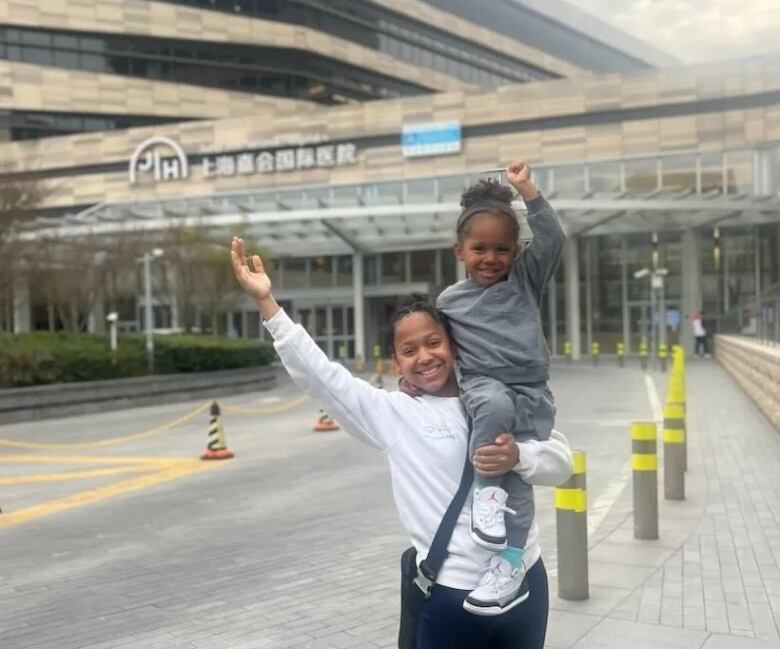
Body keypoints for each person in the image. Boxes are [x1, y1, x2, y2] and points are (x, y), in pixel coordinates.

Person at [230, 237, 573, 649]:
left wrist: (519, 456)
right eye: (409, 351)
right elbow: (321, 376)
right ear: (397, 362)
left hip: (524, 583)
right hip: (450, 594)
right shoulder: (394, 414)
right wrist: (269, 306)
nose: (425, 357)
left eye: (433, 343)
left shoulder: (495, 395)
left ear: (454, 345)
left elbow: (561, 464)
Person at [435, 162, 565, 615]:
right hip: (484, 388)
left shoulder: (525, 283)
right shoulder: (449, 302)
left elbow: (553, 239)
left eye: (502, 249)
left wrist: (527, 189)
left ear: (516, 252)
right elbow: (438, 352)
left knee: (519, 473)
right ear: (459, 250)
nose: (490, 258)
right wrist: (415, 381)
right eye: (479, 249)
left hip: (530, 393)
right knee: (491, 405)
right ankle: (486, 497)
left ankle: (509, 564)